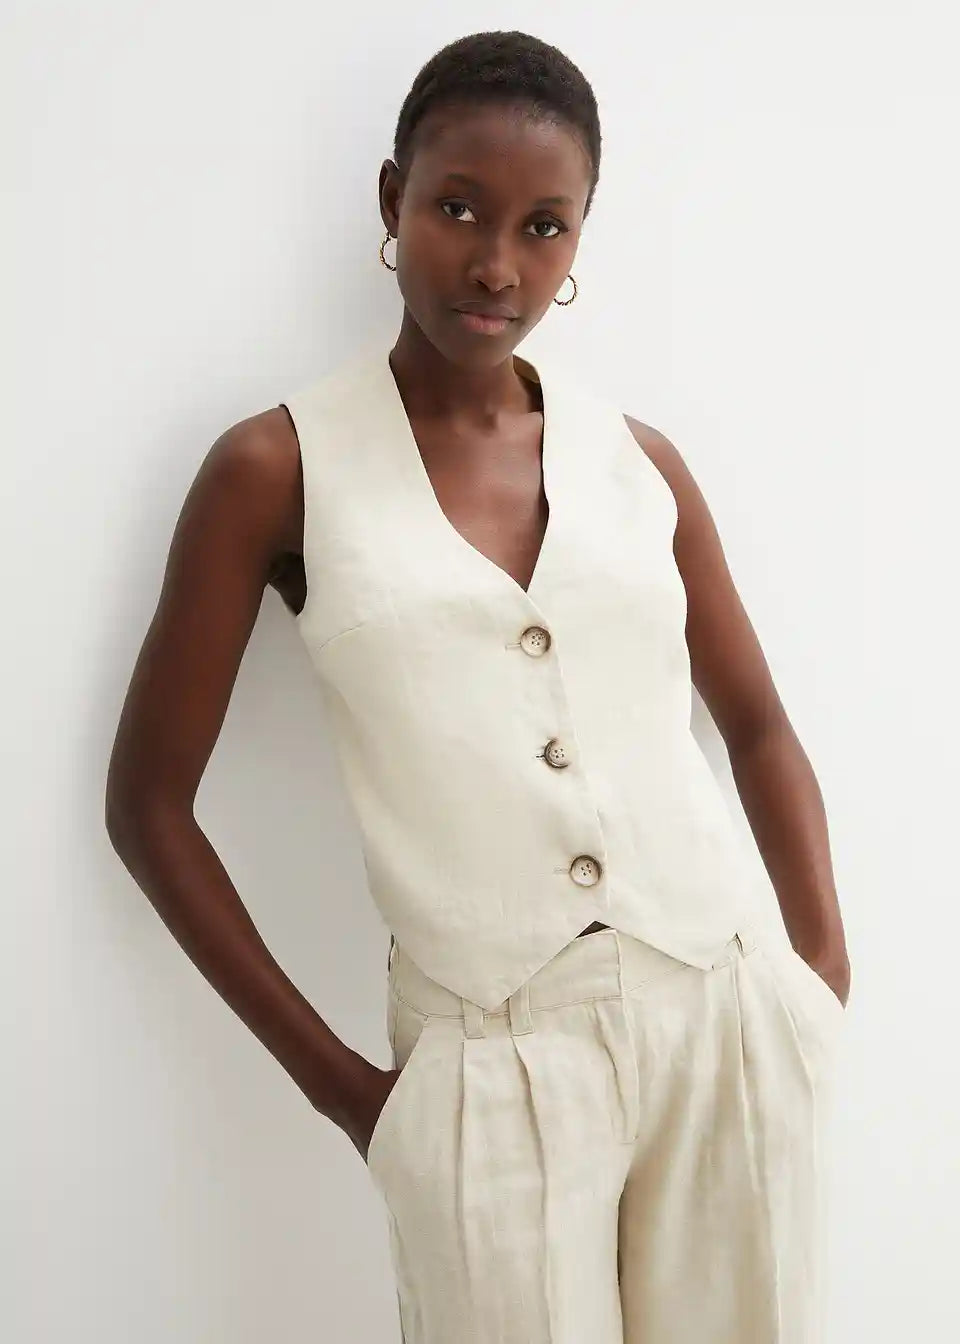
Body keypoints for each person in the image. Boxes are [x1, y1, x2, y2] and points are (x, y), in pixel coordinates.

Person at [105, 28, 852, 1344]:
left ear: (578, 241)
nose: (498, 263)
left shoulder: (639, 461)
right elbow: (149, 808)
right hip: (488, 1058)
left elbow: (757, 722)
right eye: (458, 208)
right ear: (392, 200)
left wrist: (816, 976)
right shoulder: (276, 469)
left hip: (725, 1017)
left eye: (543, 226)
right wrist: (349, 1094)